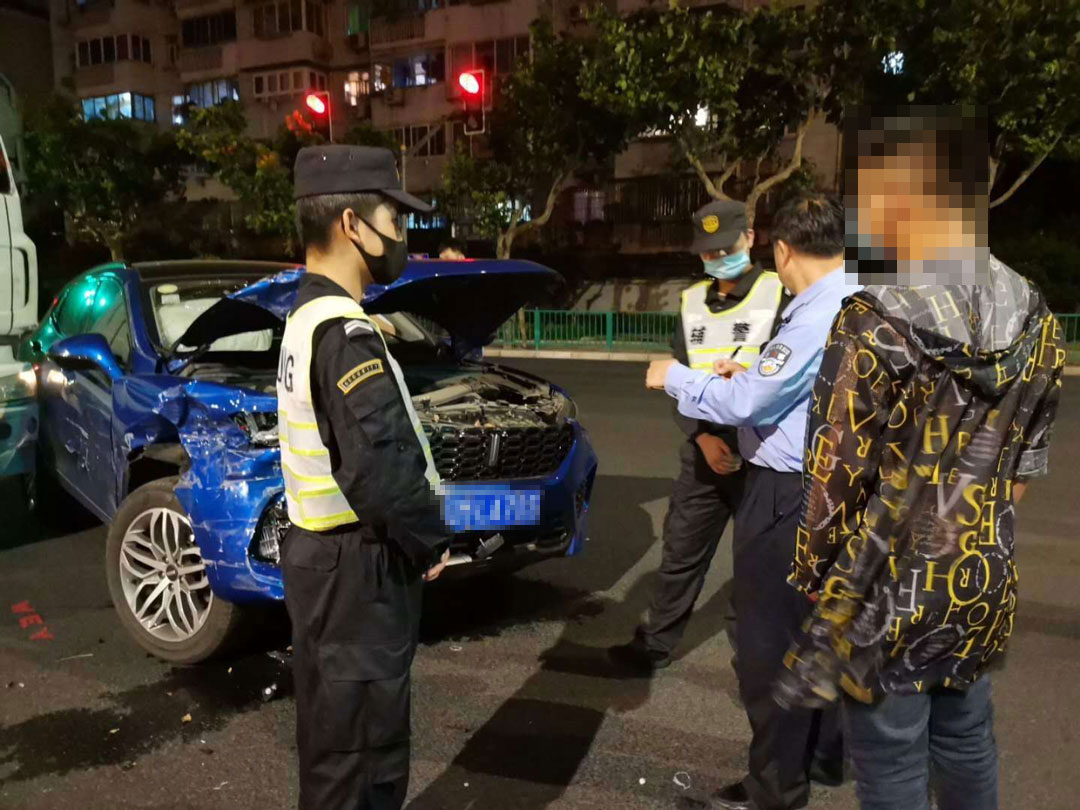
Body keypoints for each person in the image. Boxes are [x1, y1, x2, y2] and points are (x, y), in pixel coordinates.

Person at [774, 110, 1066, 810]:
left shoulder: (873, 316)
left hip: (887, 582)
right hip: (980, 572)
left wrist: (817, 573)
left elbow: (834, 470)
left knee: (892, 757)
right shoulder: (1036, 313)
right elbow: (1023, 466)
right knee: (967, 739)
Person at [647, 191, 852, 810]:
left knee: (767, 647)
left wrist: (672, 376)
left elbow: (747, 403)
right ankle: (823, 756)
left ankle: (773, 791)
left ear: (780, 248)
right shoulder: (858, 296)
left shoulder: (812, 312)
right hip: (834, 488)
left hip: (787, 493)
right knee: (818, 629)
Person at [278, 144, 452, 810]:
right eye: (395, 220)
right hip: (357, 572)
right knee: (362, 760)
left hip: (322, 563)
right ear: (352, 224)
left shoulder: (307, 316)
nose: (402, 235)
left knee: (334, 743)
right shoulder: (342, 334)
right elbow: (380, 467)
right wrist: (430, 541)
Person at [610, 199, 785, 672]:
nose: (718, 258)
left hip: (764, 454)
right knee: (680, 553)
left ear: (751, 238)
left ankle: (753, 663)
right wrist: (702, 438)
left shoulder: (781, 294)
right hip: (705, 451)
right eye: (709, 252)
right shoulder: (691, 303)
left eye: (726, 248)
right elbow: (677, 380)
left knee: (756, 566)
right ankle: (655, 645)